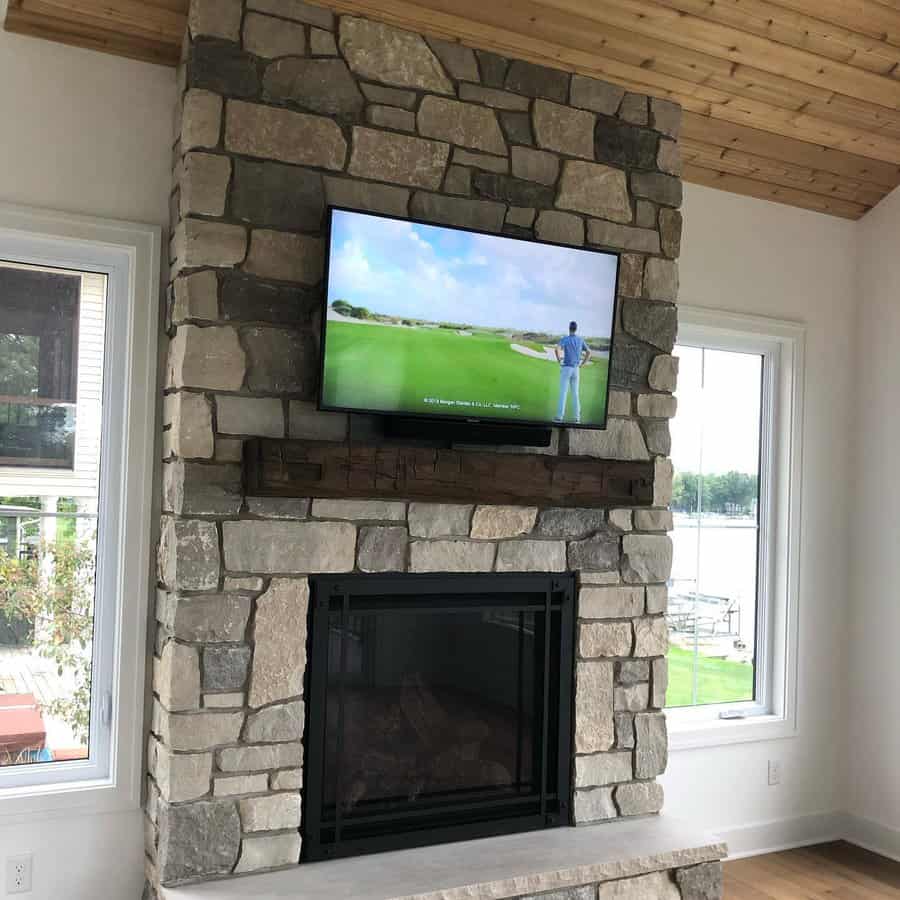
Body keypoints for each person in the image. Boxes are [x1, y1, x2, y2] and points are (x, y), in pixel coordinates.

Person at [554, 321, 591, 423]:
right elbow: (589, 352)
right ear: (576, 329)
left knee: (563, 393)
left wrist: (559, 360)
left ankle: (559, 417)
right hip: (576, 370)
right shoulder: (580, 340)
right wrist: (582, 364)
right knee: (575, 393)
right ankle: (577, 418)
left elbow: (556, 349)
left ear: (569, 328)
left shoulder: (565, 339)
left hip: (566, 368)